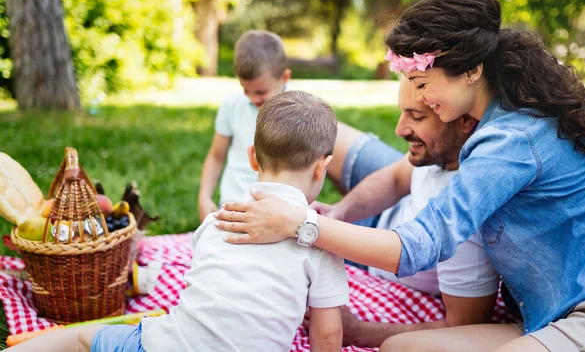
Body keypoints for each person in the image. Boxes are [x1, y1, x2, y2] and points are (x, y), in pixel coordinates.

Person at [214, 0, 585, 352]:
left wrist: (299, 222)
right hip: (544, 313)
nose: (420, 99)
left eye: (421, 83)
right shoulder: (493, 123)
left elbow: (418, 246)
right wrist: (336, 215)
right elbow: (404, 174)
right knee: (399, 347)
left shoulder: (512, 140)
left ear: (471, 71)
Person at [9, 91, 348, 352]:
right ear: (323, 166)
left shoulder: (218, 220)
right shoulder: (321, 240)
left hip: (167, 346)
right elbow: (328, 333)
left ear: (253, 157)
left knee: (81, 338)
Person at [305, 77, 499, 347]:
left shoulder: (464, 218)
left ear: (464, 119)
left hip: (378, 254)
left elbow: (462, 326)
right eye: (402, 112)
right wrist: (339, 212)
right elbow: (397, 177)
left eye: (417, 116)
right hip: (387, 213)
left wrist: (358, 331)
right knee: (312, 127)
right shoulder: (440, 150)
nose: (399, 129)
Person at [198, 30, 291, 221]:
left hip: (280, 210)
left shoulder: (298, 111)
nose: (252, 97)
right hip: (234, 204)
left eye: (260, 91)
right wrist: (204, 196)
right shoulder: (232, 105)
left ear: (284, 77)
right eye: (245, 90)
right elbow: (216, 156)